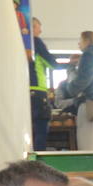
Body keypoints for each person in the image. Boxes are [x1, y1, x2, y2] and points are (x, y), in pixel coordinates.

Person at [63, 30, 93, 151]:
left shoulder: (88, 55)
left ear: (87, 41)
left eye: (80, 40)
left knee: (85, 141)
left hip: (87, 102)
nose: (79, 44)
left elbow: (84, 79)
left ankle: (88, 167)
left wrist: (71, 89)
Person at [29, 16, 55, 151]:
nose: (40, 32)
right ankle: (38, 162)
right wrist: (70, 64)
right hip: (38, 91)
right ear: (32, 27)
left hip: (23, 91)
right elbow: (51, 63)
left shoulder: (18, 43)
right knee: (41, 128)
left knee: (28, 130)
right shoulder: (36, 42)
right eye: (39, 28)